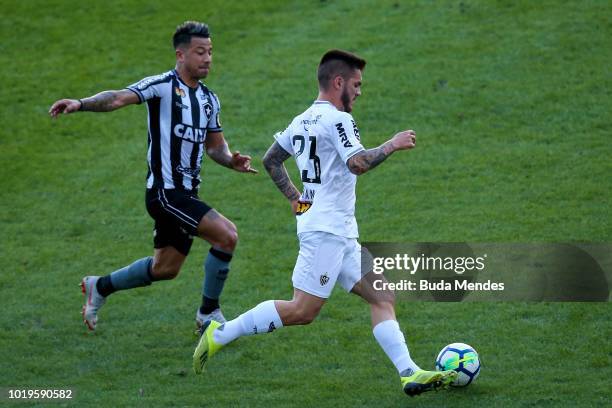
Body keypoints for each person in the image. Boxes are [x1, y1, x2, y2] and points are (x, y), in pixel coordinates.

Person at [192, 49, 457, 397]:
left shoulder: (302, 119)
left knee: (382, 295)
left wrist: (294, 197)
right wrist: (391, 145)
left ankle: (408, 372)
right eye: (357, 84)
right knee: (303, 310)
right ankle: (220, 334)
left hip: (341, 230)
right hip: (326, 231)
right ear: (338, 82)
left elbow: (272, 159)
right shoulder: (338, 120)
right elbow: (357, 163)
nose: (360, 92)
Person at [48, 21, 257, 331]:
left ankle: (99, 287)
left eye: (211, 52)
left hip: (186, 194)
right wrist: (81, 104)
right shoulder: (161, 86)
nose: (208, 58)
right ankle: (208, 315)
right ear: (181, 54)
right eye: (200, 52)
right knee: (227, 235)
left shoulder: (209, 100)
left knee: (165, 268)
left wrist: (231, 160)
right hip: (164, 192)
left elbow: (215, 148)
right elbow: (118, 97)